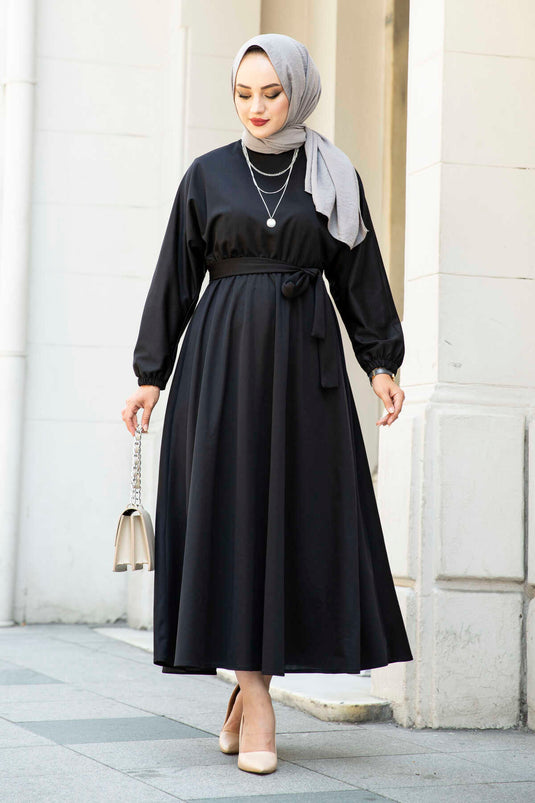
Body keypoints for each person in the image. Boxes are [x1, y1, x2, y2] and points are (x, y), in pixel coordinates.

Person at [121, 33, 413, 775]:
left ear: (299, 92)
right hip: (221, 370)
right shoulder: (207, 174)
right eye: (243, 93)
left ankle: (248, 686)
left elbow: (360, 274)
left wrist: (380, 361)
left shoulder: (332, 175)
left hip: (306, 375)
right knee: (233, 520)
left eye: (272, 93)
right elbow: (175, 276)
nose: (256, 107)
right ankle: (256, 700)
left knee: (294, 526)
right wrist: (150, 375)